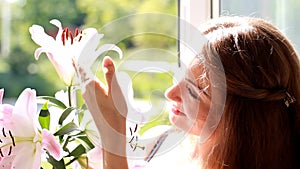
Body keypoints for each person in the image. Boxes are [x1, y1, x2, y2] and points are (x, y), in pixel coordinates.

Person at [80, 16, 300, 169]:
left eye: (193, 92)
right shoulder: (170, 144)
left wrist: (112, 137)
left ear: (241, 118)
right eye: (179, 75)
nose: (170, 93)